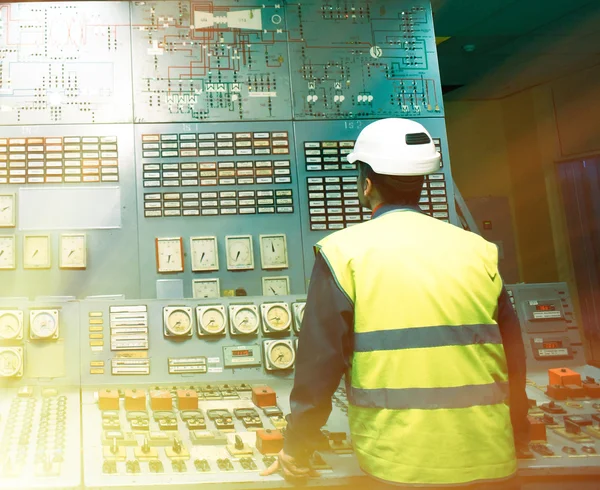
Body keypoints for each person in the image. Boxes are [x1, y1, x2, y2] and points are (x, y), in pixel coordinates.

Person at [261, 118, 530, 489]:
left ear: (367, 184)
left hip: (398, 462)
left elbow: (319, 367)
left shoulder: (343, 253)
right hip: (490, 455)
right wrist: (520, 432)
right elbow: (513, 357)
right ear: (421, 182)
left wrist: (298, 446)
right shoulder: (478, 250)